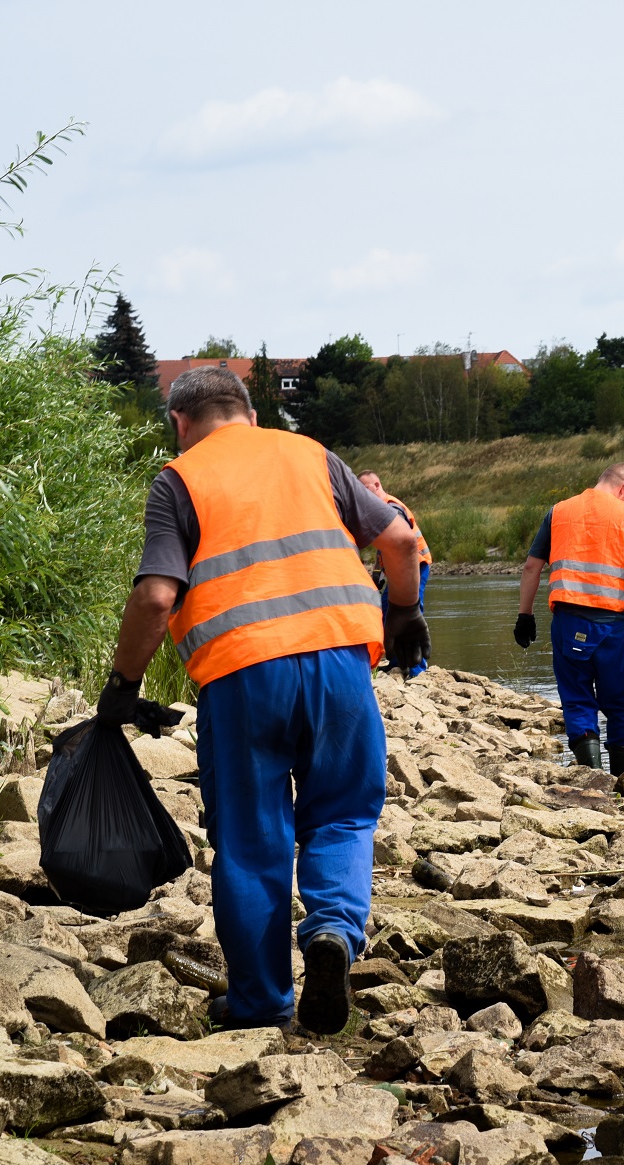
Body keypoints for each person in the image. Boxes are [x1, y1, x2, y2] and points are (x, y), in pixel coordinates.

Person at [97, 365, 430, 1035]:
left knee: (252, 843)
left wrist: (122, 688)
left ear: (180, 424)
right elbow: (397, 539)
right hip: (339, 663)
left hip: (244, 677)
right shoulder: (311, 455)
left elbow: (157, 596)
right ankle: (333, 931)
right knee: (340, 814)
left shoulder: (178, 479)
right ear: (250, 413)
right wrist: (402, 610)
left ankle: (260, 1001)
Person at [514, 462, 624, 775]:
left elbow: (531, 567)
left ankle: (593, 780)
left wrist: (525, 615)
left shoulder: (559, 512)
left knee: (577, 700)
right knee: (622, 705)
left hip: (568, 624)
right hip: (613, 628)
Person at [356, 470, 432, 677]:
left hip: (415, 567)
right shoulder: (381, 510)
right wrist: (377, 575)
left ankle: (417, 669)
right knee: (387, 613)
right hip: (402, 570)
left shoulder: (391, 509)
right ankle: (398, 662)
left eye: (365, 488)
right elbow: (384, 548)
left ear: (377, 485)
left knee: (408, 614)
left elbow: (401, 541)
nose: (361, 494)